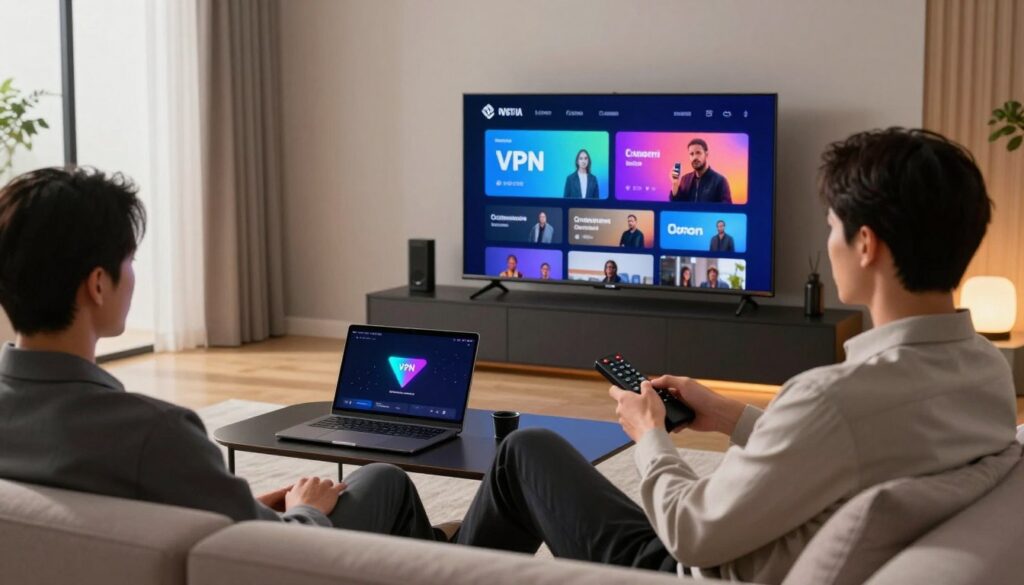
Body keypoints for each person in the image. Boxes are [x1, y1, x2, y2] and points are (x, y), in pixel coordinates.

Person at [453, 128, 1019, 583]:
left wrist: (650, 434)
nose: (829, 242)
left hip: (688, 568)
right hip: (755, 547)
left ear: (866, 244)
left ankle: (415, 563)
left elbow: (690, 532)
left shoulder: (833, 399)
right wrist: (728, 415)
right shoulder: (986, 373)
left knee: (524, 452)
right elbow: (846, 449)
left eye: (831, 227)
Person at [0, 167, 452, 542]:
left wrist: (251, 505)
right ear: (98, 285)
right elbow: (266, 557)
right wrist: (306, 512)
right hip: (279, 564)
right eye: (130, 261)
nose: (134, 275)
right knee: (382, 479)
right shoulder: (155, 433)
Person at [669, 138, 732, 203]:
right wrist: (675, 183)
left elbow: (726, 210)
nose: (695, 157)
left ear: (706, 154)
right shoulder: (685, 179)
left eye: (698, 153)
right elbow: (676, 205)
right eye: (691, 154)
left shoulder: (720, 181)